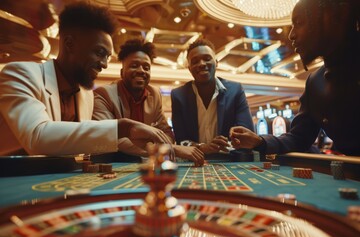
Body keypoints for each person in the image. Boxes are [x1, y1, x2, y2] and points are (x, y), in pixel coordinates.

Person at [0, 2, 172, 156]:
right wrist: (121, 128)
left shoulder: (86, 94)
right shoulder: (20, 74)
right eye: (99, 53)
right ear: (69, 44)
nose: (104, 64)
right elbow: (37, 138)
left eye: (107, 57)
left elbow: (80, 143)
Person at [230, 0, 360, 156]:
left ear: (329, 19)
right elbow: (299, 138)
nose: (291, 35)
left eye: (299, 23)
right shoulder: (315, 83)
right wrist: (259, 141)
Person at [93, 38, 204, 165]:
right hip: (110, 163)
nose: (141, 70)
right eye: (134, 66)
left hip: (143, 163)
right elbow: (110, 137)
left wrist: (165, 145)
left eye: (146, 67)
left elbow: (166, 132)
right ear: (122, 72)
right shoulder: (104, 94)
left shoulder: (154, 94)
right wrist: (167, 148)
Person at [171, 38, 254, 154]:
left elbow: (247, 136)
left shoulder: (235, 91)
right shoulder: (178, 95)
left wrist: (221, 146)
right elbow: (181, 141)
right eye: (195, 61)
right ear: (189, 68)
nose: (201, 64)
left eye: (207, 58)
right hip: (194, 161)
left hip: (228, 161)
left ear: (216, 62)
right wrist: (202, 147)